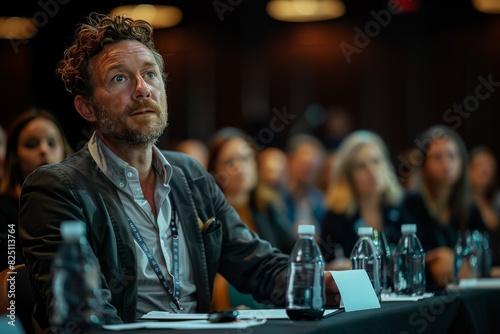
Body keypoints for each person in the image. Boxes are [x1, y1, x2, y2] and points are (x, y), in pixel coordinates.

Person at [18, 13, 340, 332]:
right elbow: (87, 315)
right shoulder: (56, 189)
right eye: (119, 78)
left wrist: (323, 282)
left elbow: (255, 263)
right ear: (86, 107)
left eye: (150, 74)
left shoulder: (190, 174)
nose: (142, 89)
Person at [0, 108, 72, 334]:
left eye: (52, 143)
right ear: (14, 155)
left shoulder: (79, 206)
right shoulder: (3, 208)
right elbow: (13, 277)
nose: (44, 150)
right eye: (31, 144)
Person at [207, 127, 296, 310]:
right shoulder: (208, 215)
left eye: (246, 159)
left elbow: (291, 250)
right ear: (215, 170)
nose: (240, 167)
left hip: (272, 300)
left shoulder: (268, 205)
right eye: (230, 162)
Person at [402, 125, 487, 289]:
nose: (446, 164)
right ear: (424, 165)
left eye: (452, 156)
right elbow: (405, 254)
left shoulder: (469, 207)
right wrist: (434, 257)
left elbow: (485, 250)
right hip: (426, 292)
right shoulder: (412, 204)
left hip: (468, 289)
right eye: (438, 157)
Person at [320, 130, 405, 270]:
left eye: (376, 161)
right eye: (361, 166)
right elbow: (324, 268)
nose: (372, 171)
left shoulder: (401, 209)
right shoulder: (335, 218)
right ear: (348, 175)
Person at [281, 134, 327, 237]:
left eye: (313, 168)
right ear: (290, 161)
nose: (308, 172)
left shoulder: (321, 201)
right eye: (304, 165)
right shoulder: (276, 199)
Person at [468, 146, 500, 274]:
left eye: (491, 166)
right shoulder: (462, 205)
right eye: (480, 164)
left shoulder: (496, 201)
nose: (486, 170)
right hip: (478, 271)